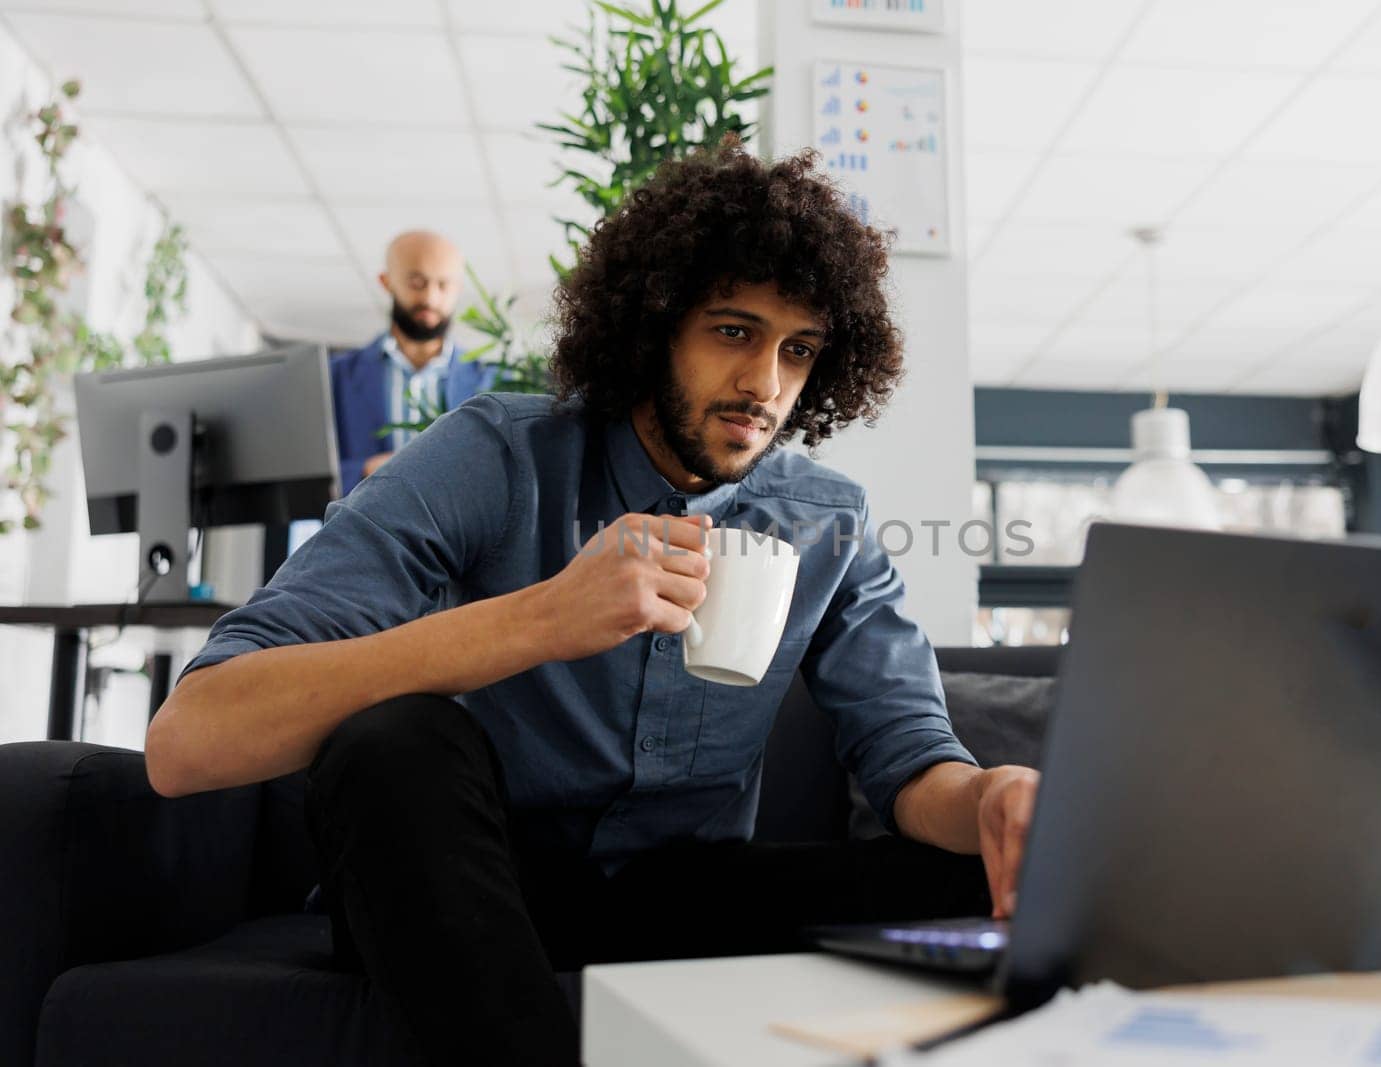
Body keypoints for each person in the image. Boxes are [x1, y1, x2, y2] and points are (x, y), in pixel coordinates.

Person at [145, 142, 1040, 1067]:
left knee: (977, 872)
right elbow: (188, 740)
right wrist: (540, 618)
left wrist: (986, 797)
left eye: (798, 349)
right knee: (393, 741)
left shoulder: (827, 523)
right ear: (653, 324)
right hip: (474, 887)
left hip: (684, 898)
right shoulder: (496, 456)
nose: (765, 384)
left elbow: (907, 758)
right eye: (733, 331)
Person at [328, 229, 498, 495]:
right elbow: (307, 474)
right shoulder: (334, 378)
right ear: (387, 282)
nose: (430, 298)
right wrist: (366, 470)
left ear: (458, 289)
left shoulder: (492, 383)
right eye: (417, 283)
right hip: (361, 531)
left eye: (443, 285)